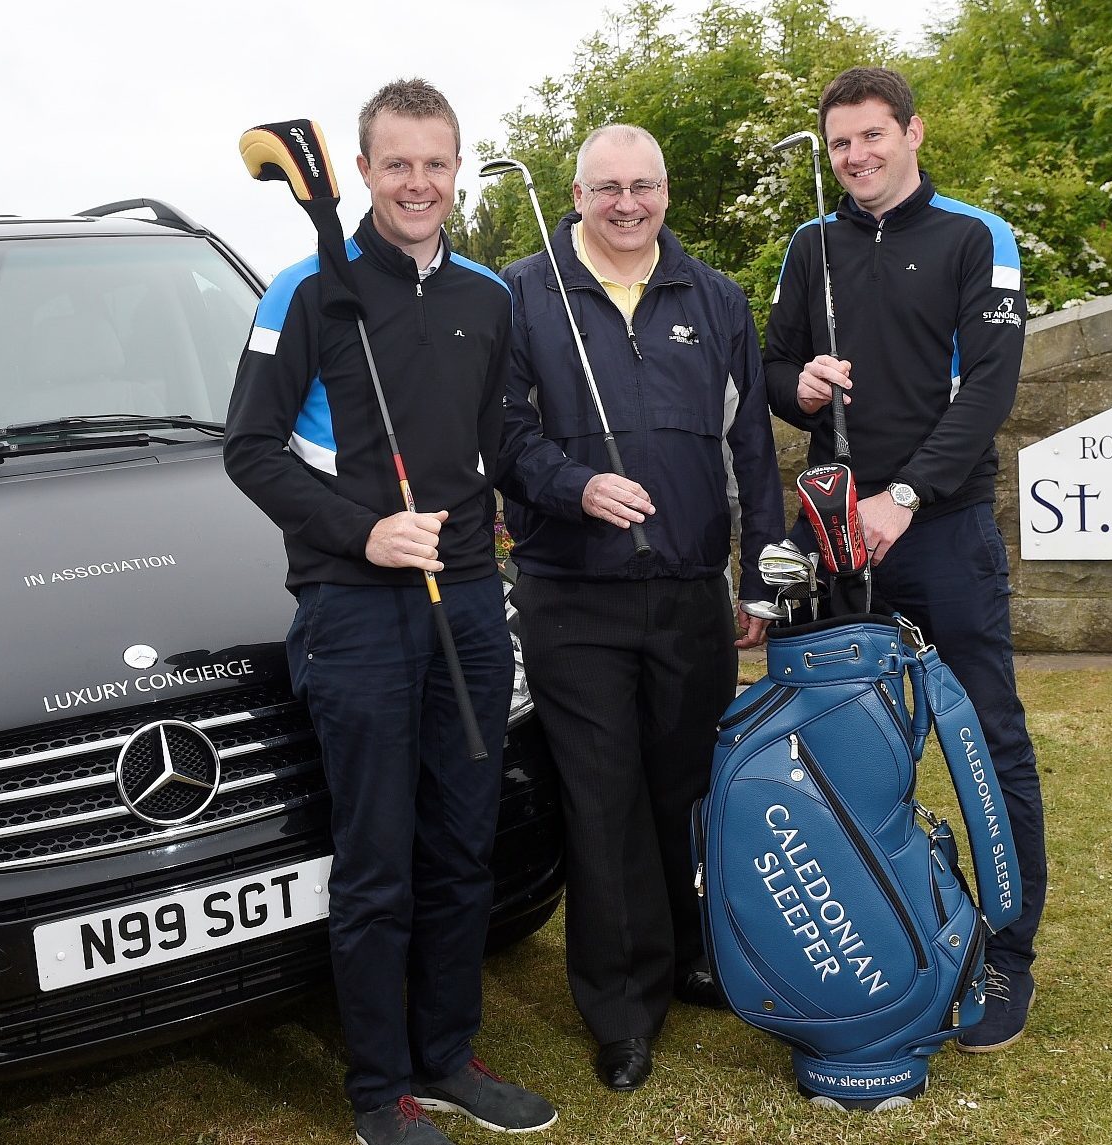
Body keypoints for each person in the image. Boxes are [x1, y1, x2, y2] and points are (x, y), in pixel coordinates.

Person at [225, 79, 556, 1145]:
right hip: (354, 608)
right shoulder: (304, 290)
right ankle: (379, 1091)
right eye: (398, 163)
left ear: (459, 170)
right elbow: (249, 449)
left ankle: (446, 1054)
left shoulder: (487, 298)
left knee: (463, 844)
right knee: (377, 857)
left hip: (464, 599)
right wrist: (361, 531)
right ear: (362, 172)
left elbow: (495, 441)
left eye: (437, 163)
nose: (419, 183)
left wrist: (568, 491)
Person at [763, 65, 1049, 1054]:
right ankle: (871, 933)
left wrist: (907, 495)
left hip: (946, 531)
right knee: (836, 751)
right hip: (835, 535)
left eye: (872, 137)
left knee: (983, 742)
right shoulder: (810, 243)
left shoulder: (976, 236)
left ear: (912, 133)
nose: (855, 158)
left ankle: (1007, 953)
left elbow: (988, 388)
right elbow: (770, 368)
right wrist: (798, 383)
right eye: (840, 143)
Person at [497, 124, 786, 1093]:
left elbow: (751, 448)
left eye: (644, 186)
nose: (627, 204)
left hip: (688, 589)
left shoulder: (713, 297)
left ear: (667, 192)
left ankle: (693, 953)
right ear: (576, 192)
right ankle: (622, 1006)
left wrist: (756, 579)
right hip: (571, 593)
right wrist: (571, 483)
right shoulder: (519, 293)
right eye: (607, 187)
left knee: (685, 789)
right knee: (603, 796)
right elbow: (500, 432)